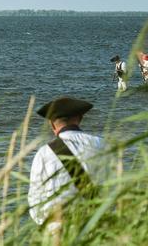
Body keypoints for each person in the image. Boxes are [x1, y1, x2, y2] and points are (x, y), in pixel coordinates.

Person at [28, 97, 105, 232]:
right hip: (97, 229)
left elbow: (35, 201)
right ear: (80, 119)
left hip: (59, 232)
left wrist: (49, 227)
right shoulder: (101, 144)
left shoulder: (44, 153)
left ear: (52, 124)